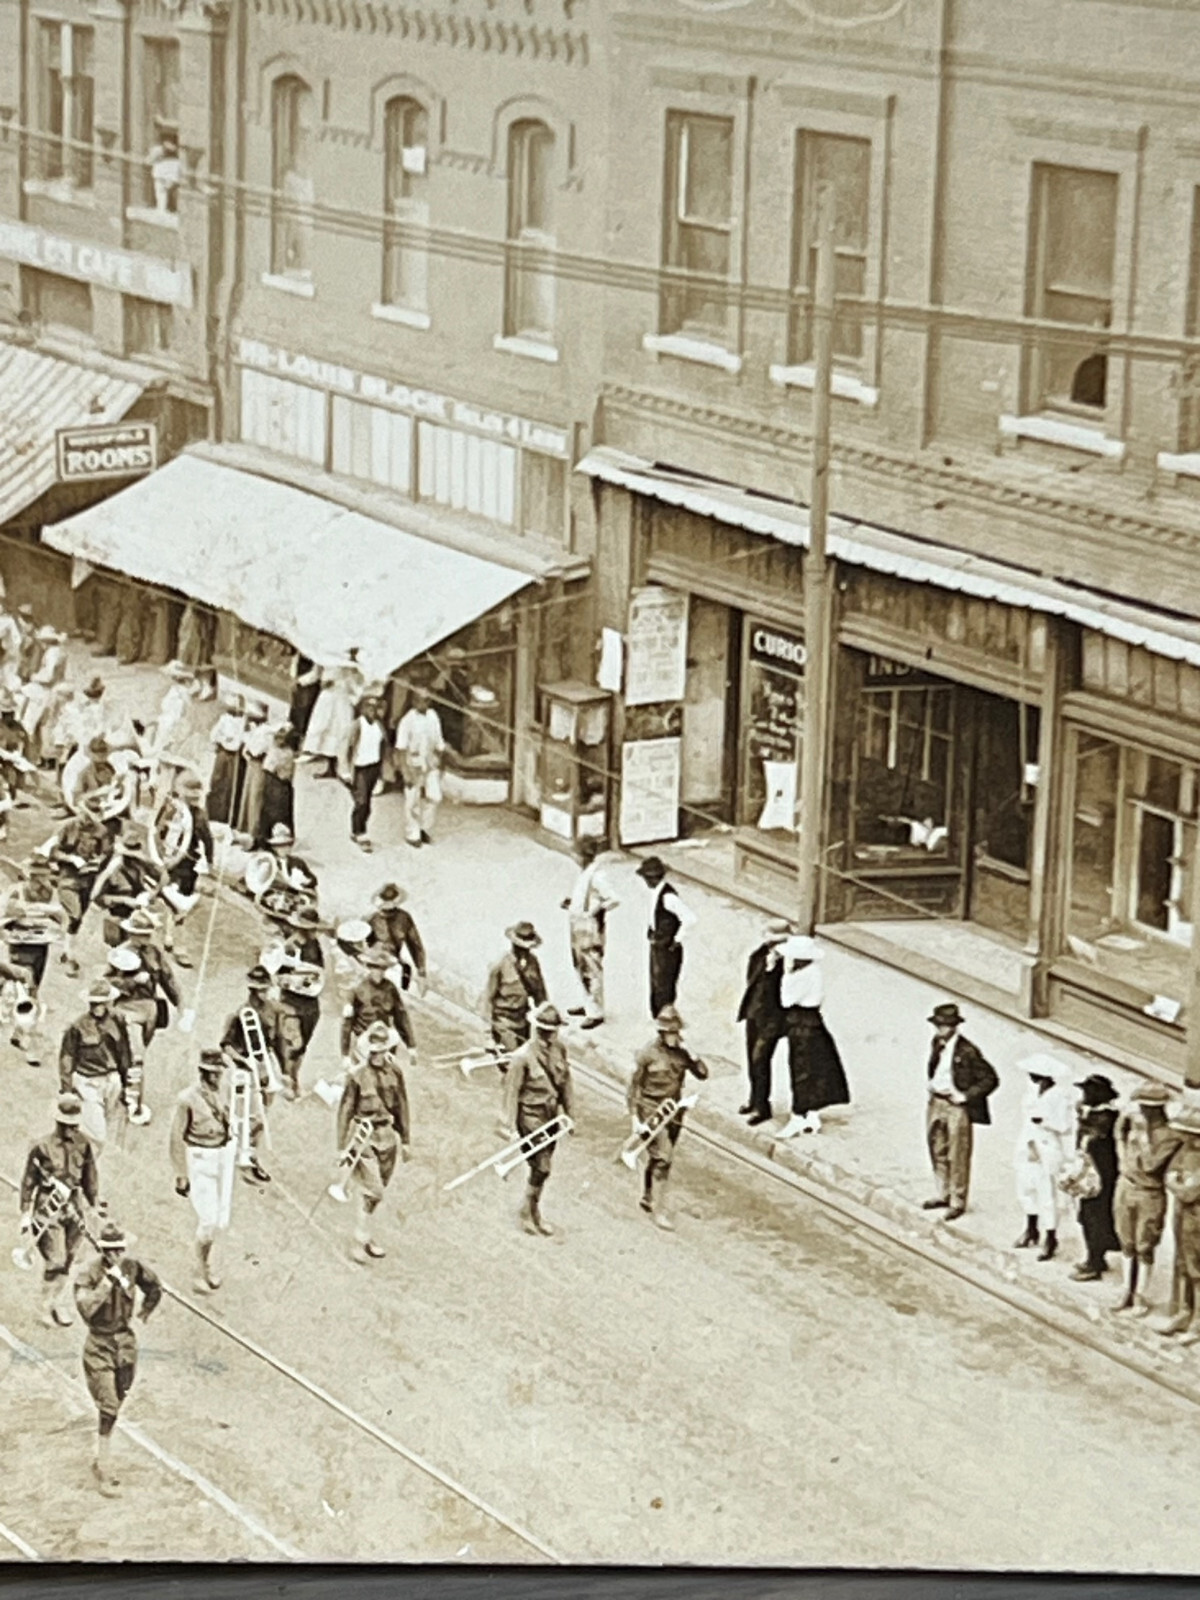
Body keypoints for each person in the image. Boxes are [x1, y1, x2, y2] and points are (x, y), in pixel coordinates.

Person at [74, 1220, 163, 1496]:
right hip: (99, 1345)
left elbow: (154, 1285)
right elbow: (86, 1308)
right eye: (111, 1250)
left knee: (120, 1396)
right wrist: (106, 1283)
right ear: (103, 1251)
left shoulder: (131, 1267)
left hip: (125, 1344)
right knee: (109, 1404)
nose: (116, 1255)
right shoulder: (89, 1274)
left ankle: (103, 1448)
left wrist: (146, 1310)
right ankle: (104, 1466)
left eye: (120, 1249)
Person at [20, 1091, 100, 1328]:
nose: (70, 1130)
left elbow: (89, 1176)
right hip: (49, 1206)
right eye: (66, 1125)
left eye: (74, 1125)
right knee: (55, 1258)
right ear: (58, 1122)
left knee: (69, 1259)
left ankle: (56, 1302)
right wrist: (25, 1213)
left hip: (73, 1206)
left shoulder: (84, 1144)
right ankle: (43, 1307)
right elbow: (28, 1181)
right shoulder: (41, 1147)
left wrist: (93, 1204)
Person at [336, 1019, 412, 1263]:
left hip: (387, 1136)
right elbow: (345, 1110)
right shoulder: (357, 1076)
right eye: (375, 1050)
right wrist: (341, 1147)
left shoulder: (395, 1072)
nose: (378, 1054)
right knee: (373, 1189)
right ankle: (359, 1239)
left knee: (377, 1192)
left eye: (383, 1050)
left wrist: (406, 1139)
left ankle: (366, 1233)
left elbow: (402, 1105)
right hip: (363, 1136)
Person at [627, 1006, 709, 1231]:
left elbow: (703, 1074)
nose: (675, 1036)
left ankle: (647, 1194)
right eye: (670, 1033)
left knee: (659, 1157)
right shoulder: (647, 1054)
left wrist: (693, 1054)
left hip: (673, 1111)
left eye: (677, 1032)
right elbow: (634, 1088)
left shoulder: (682, 1053)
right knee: (664, 1157)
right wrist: (635, 1117)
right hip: (650, 1109)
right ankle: (659, 1210)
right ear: (662, 1034)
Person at [922, 1001, 999, 1221]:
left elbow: (990, 1079)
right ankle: (942, 1192)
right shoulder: (937, 1043)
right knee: (937, 1148)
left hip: (956, 1105)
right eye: (938, 1025)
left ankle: (957, 1199)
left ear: (954, 1026)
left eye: (944, 1025)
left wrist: (965, 1096)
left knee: (958, 1153)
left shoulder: (967, 1051)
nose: (940, 1030)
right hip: (936, 1101)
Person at [502, 1003, 573, 1236]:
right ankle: (527, 1211)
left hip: (550, 1115)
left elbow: (565, 1082)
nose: (548, 1035)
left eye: (551, 1031)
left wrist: (570, 1113)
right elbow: (511, 1094)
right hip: (530, 1116)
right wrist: (511, 1127)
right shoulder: (522, 1057)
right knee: (541, 1166)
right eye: (544, 1030)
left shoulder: (559, 1050)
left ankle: (533, 1210)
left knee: (542, 1169)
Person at [1113, 1081, 1183, 1316]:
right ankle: (1126, 1289)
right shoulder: (1133, 1124)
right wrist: (1122, 1155)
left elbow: (1151, 1164)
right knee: (1126, 1242)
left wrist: (1142, 1138)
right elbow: (1119, 1136)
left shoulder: (1170, 1136)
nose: (1140, 1111)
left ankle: (1141, 1294)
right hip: (1126, 1185)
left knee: (1145, 1244)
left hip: (1149, 1193)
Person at [170, 1049, 235, 1293]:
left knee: (221, 1221)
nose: (216, 1077)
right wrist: (181, 1174)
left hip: (223, 1155)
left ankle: (207, 1263)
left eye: (219, 1072)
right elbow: (177, 1137)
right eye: (211, 1073)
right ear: (202, 1072)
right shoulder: (187, 1099)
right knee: (207, 1220)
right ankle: (199, 1270)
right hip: (200, 1156)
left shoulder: (226, 1091)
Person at [774, 934, 849, 1139]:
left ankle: (798, 1116)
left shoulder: (801, 976)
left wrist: (785, 975)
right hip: (813, 1021)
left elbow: (786, 1000)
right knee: (815, 1069)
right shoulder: (815, 971)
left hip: (801, 1024)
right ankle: (811, 1115)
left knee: (801, 1069)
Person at [3, 858, 66, 1066]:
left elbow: (61, 916)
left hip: (41, 945)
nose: (38, 882)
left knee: (33, 988)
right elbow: (3, 917)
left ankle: (19, 1030)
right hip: (20, 947)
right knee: (27, 991)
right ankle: (30, 1044)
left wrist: (55, 926)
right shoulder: (16, 891)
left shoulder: (49, 893)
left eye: (42, 877)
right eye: (35, 877)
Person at [1013, 1053, 1076, 1262]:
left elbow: (1065, 1127)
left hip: (1046, 1146)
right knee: (1025, 1188)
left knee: (1046, 1193)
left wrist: (1045, 1122)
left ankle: (1050, 1237)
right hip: (1027, 1143)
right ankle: (1031, 1229)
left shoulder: (1060, 1096)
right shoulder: (1032, 1091)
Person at [58, 980, 132, 1152]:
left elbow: (124, 1052)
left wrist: (126, 1084)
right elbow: (67, 1058)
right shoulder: (77, 1027)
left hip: (112, 1082)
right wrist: (67, 1089)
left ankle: (80, 1160)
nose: (98, 1006)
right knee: (97, 1134)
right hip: (88, 1082)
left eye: (101, 1002)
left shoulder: (118, 1020)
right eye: (94, 1002)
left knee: (102, 1123)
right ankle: (84, 1167)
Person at [736, 919, 790, 1126]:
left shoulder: (789, 961)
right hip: (754, 1013)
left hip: (773, 1019)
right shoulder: (760, 953)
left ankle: (763, 1107)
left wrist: (772, 969)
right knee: (751, 1058)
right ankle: (754, 1100)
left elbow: (783, 991)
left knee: (760, 1060)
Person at [1069, 1073, 1122, 1282]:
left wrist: (1081, 1115)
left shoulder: (1105, 1117)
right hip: (1092, 1172)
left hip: (1101, 1176)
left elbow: (1093, 1133)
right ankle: (1095, 1257)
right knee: (1087, 1217)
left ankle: (1094, 1261)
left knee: (1094, 1219)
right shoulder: (1094, 1113)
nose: (1083, 1096)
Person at [49, 809, 114, 975]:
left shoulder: (102, 831)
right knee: (74, 913)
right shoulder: (68, 827)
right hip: (68, 878)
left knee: (78, 919)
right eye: (85, 815)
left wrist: (97, 862)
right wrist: (71, 859)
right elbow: (54, 851)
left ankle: (66, 949)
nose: (88, 820)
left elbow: (107, 853)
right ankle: (70, 958)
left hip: (88, 879)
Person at [562, 839, 618, 1029]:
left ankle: (596, 1011)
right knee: (579, 966)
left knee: (591, 969)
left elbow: (613, 899)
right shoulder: (586, 874)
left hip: (589, 928)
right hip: (578, 925)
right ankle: (586, 1003)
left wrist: (594, 910)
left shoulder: (597, 876)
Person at [273, 902, 325, 1097]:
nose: (313, 932)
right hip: (291, 1002)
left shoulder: (315, 945)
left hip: (311, 1003)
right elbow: (278, 975)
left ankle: (293, 1078)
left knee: (303, 1045)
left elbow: (319, 973)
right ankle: (288, 1080)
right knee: (292, 1042)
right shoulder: (289, 947)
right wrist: (295, 979)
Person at [1158, 1102, 1200, 1345]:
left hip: (1196, 1218)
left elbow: (1188, 1193)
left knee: (1197, 1271)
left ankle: (1197, 1320)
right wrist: (1177, 1183)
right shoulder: (1185, 1152)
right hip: (1183, 1217)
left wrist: (1177, 1184)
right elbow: (1169, 1175)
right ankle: (1185, 1312)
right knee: (1183, 1264)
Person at [636, 856, 695, 1018]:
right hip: (658, 944)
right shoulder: (657, 893)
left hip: (667, 947)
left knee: (664, 984)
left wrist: (677, 939)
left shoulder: (668, 897)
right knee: (656, 981)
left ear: (653, 878)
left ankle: (665, 1016)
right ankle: (658, 1014)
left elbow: (689, 918)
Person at [483, 921, 548, 1064]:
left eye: (527, 948)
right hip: (504, 1024)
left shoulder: (533, 963)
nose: (524, 952)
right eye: (520, 948)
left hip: (524, 1022)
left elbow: (541, 995)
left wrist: (547, 1018)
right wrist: (488, 1037)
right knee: (515, 1066)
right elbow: (487, 1000)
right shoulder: (499, 965)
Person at [93, 828, 165, 946]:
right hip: (119, 918)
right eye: (129, 856)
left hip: (140, 919)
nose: (132, 859)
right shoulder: (113, 870)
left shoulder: (142, 864)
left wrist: (153, 893)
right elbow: (98, 898)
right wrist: (125, 900)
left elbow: (164, 876)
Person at [341, 947, 414, 1061]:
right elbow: (347, 1023)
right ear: (368, 967)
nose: (378, 972)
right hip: (364, 1041)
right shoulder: (358, 988)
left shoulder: (390, 989)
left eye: (382, 968)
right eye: (374, 967)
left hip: (385, 1041)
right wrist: (345, 1054)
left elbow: (401, 1016)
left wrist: (411, 1045)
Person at [394, 685, 445, 848]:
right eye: (418, 700)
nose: (422, 703)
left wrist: (438, 758)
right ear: (413, 701)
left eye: (425, 700)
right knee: (412, 800)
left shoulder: (433, 716)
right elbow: (400, 749)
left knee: (435, 797)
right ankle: (412, 833)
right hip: (413, 763)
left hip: (429, 763)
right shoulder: (407, 721)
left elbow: (439, 742)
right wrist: (405, 772)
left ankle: (424, 828)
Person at [303, 656, 363, 779]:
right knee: (323, 729)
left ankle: (342, 768)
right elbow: (316, 673)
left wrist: (354, 692)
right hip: (327, 697)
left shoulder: (349, 658)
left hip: (343, 697)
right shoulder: (322, 654)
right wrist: (300, 681)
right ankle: (329, 766)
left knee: (342, 731)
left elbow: (355, 679)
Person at [345, 692, 389, 852]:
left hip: (374, 766)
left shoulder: (379, 725)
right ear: (362, 708)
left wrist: (383, 771)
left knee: (367, 801)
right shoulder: (357, 725)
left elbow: (384, 746)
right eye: (369, 707)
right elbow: (345, 748)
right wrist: (345, 771)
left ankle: (359, 828)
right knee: (361, 800)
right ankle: (359, 831)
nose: (372, 710)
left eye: (375, 707)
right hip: (360, 767)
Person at [367, 882, 426, 994]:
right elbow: (364, 945)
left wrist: (421, 972)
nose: (386, 912)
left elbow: (415, 945)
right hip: (374, 963)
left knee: (404, 977)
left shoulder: (404, 919)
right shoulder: (372, 920)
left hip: (394, 963)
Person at [255, 724, 299, 848]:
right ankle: (269, 836)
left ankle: (271, 837)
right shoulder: (283, 752)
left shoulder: (284, 753)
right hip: (276, 783)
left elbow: (280, 772)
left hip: (278, 784)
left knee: (275, 811)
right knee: (272, 811)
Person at [206, 692, 245, 827]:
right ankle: (214, 814)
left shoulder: (243, 722)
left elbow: (240, 740)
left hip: (235, 757)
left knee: (232, 786)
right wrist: (223, 740)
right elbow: (214, 735)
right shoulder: (224, 719)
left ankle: (229, 817)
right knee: (218, 782)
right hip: (223, 754)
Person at [235, 701, 272, 840]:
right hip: (252, 764)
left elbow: (258, 750)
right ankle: (244, 827)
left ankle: (253, 832)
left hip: (259, 766)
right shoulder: (255, 730)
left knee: (255, 797)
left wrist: (250, 752)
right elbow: (246, 749)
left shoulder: (266, 732)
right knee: (248, 795)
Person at [289, 654, 322, 741]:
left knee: (304, 711)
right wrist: (293, 679)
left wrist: (299, 681)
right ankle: (291, 732)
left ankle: (300, 736)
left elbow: (316, 674)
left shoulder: (317, 657)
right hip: (298, 683)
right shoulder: (300, 653)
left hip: (308, 685)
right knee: (295, 707)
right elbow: (294, 663)